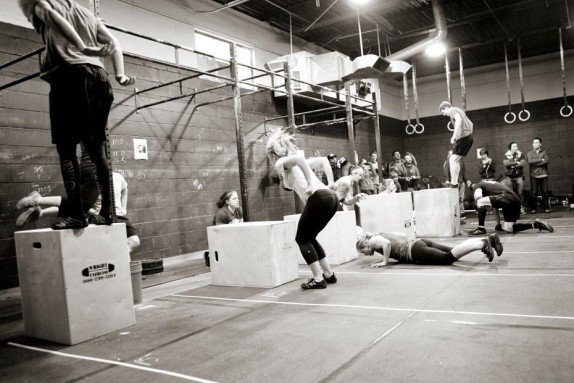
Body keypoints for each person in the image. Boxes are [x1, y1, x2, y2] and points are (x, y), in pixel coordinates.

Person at [18, 0, 135, 230]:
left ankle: (78, 216)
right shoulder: (88, 14)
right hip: (99, 78)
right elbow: (114, 42)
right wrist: (120, 73)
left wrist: (82, 46)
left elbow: (50, 15)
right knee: (97, 150)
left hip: (69, 76)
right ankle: (109, 213)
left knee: (67, 150)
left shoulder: (36, 1)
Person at [267, 128, 338, 290]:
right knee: (310, 237)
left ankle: (318, 278)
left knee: (302, 239)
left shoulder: (280, 163)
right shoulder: (290, 165)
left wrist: (311, 183)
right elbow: (323, 160)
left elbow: (299, 160)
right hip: (331, 197)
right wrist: (331, 183)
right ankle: (328, 274)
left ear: (272, 154)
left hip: (319, 198)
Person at [357, 231, 502, 266]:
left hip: (414, 251)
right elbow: (400, 234)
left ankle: (482, 244)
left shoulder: (373, 241)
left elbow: (386, 244)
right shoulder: (380, 233)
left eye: (363, 252)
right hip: (418, 243)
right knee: (453, 250)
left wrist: (384, 261)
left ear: (364, 245)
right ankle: (490, 239)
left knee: (448, 258)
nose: (366, 255)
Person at [467, 180, 554, 236]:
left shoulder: (477, 185)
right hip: (515, 200)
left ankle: (480, 228)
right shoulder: (489, 186)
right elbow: (495, 208)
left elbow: (478, 195)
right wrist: (498, 225)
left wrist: (477, 204)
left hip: (507, 197)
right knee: (509, 228)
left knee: (479, 201)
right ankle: (536, 224)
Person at [439, 101, 474, 194]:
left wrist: (454, 136)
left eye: (443, 112)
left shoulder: (452, 111)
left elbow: (458, 120)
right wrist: (469, 135)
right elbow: (471, 124)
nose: (443, 115)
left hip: (464, 137)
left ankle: (454, 183)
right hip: (467, 137)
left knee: (452, 160)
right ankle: (455, 183)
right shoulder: (459, 110)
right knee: (456, 160)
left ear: (446, 108)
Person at [526, 137, 551, 213]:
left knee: (545, 192)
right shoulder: (529, 153)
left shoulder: (544, 152)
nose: (534, 144)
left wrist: (535, 163)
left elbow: (547, 161)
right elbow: (530, 161)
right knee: (534, 192)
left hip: (543, 175)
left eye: (536, 142)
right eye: (533, 142)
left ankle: (546, 208)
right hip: (534, 175)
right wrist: (540, 160)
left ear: (540, 144)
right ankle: (534, 209)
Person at [502, 142, 526, 213]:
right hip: (509, 176)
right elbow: (506, 164)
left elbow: (522, 164)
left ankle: (521, 208)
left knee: (520, 193)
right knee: (511, 193)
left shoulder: (521, 154)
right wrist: (516, 163)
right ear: (511, 148)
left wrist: (512, 165)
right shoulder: (506, 155)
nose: (516, 147)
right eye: (514, 146)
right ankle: (512, 209)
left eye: (516, 146)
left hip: (519, 176)